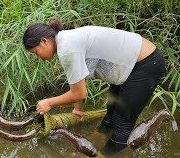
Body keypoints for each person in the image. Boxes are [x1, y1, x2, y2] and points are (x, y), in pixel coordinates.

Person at [22, 18, 165, 156]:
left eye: (36, 52)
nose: (38, 57)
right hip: (129, 65)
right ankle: (100, 136)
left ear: (44, 41)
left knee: (123, 123)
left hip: (145, 64)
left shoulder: (67, 49)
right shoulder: (66, 40)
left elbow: (79, 93)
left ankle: (103, 155)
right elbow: (78, 81)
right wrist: (77, 108)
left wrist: (49, 102)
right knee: (111, 110)